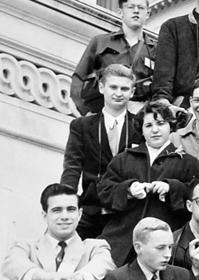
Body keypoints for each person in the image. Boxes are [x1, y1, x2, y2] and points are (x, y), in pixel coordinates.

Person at [97, 100, 199, 266]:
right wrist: (128, 189)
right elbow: (104, 190)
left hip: (167, 241)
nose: (155, 130)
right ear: (141, 129)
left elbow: (198, 195)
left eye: (160, 123)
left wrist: (171, 187)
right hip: (123, 239)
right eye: (148, 125)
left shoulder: (187, 162)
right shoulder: (124, 158)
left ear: (171, 126)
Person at [61, 64, 143, 239]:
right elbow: (72, 167)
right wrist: (66, 199)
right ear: (101, 87)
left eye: (124, 89)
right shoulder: (81, 126)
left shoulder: (141, 127)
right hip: (91, 207)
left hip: (126, 211)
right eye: (113, 87)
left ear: (132, 92)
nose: (118, 93)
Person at [71, 0, 156, 116]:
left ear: (147, 13)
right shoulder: (101, 42)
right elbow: (78, 79)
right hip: (103, 111)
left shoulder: (156, 50)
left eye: (141, 7)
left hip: (139, 115)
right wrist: (87, 112)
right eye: (130, 7)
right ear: (120, 12)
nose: (136, 11)